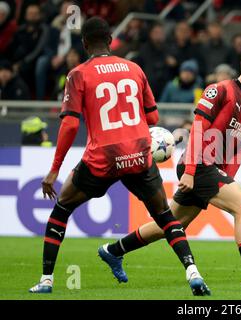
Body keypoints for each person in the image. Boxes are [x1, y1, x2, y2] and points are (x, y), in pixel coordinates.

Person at [29, 17, 210, 296]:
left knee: (62, 209)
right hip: (139, 154)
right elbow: (153, 117)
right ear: (111, 40)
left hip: (102, 158)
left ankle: (46, 281)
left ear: (85, 43)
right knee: (165, 216)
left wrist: (54, 170)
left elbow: (70, 124)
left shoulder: (79, 73)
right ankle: (193, 273)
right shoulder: (134, 68)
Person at [99, 48, 241, 292]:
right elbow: (199, 127)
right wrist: (190, 170)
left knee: (171, 224)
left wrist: (228, 178)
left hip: (211, 170)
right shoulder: (220, 90)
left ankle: (112, 251)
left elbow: (240, 146)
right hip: (198, 165)